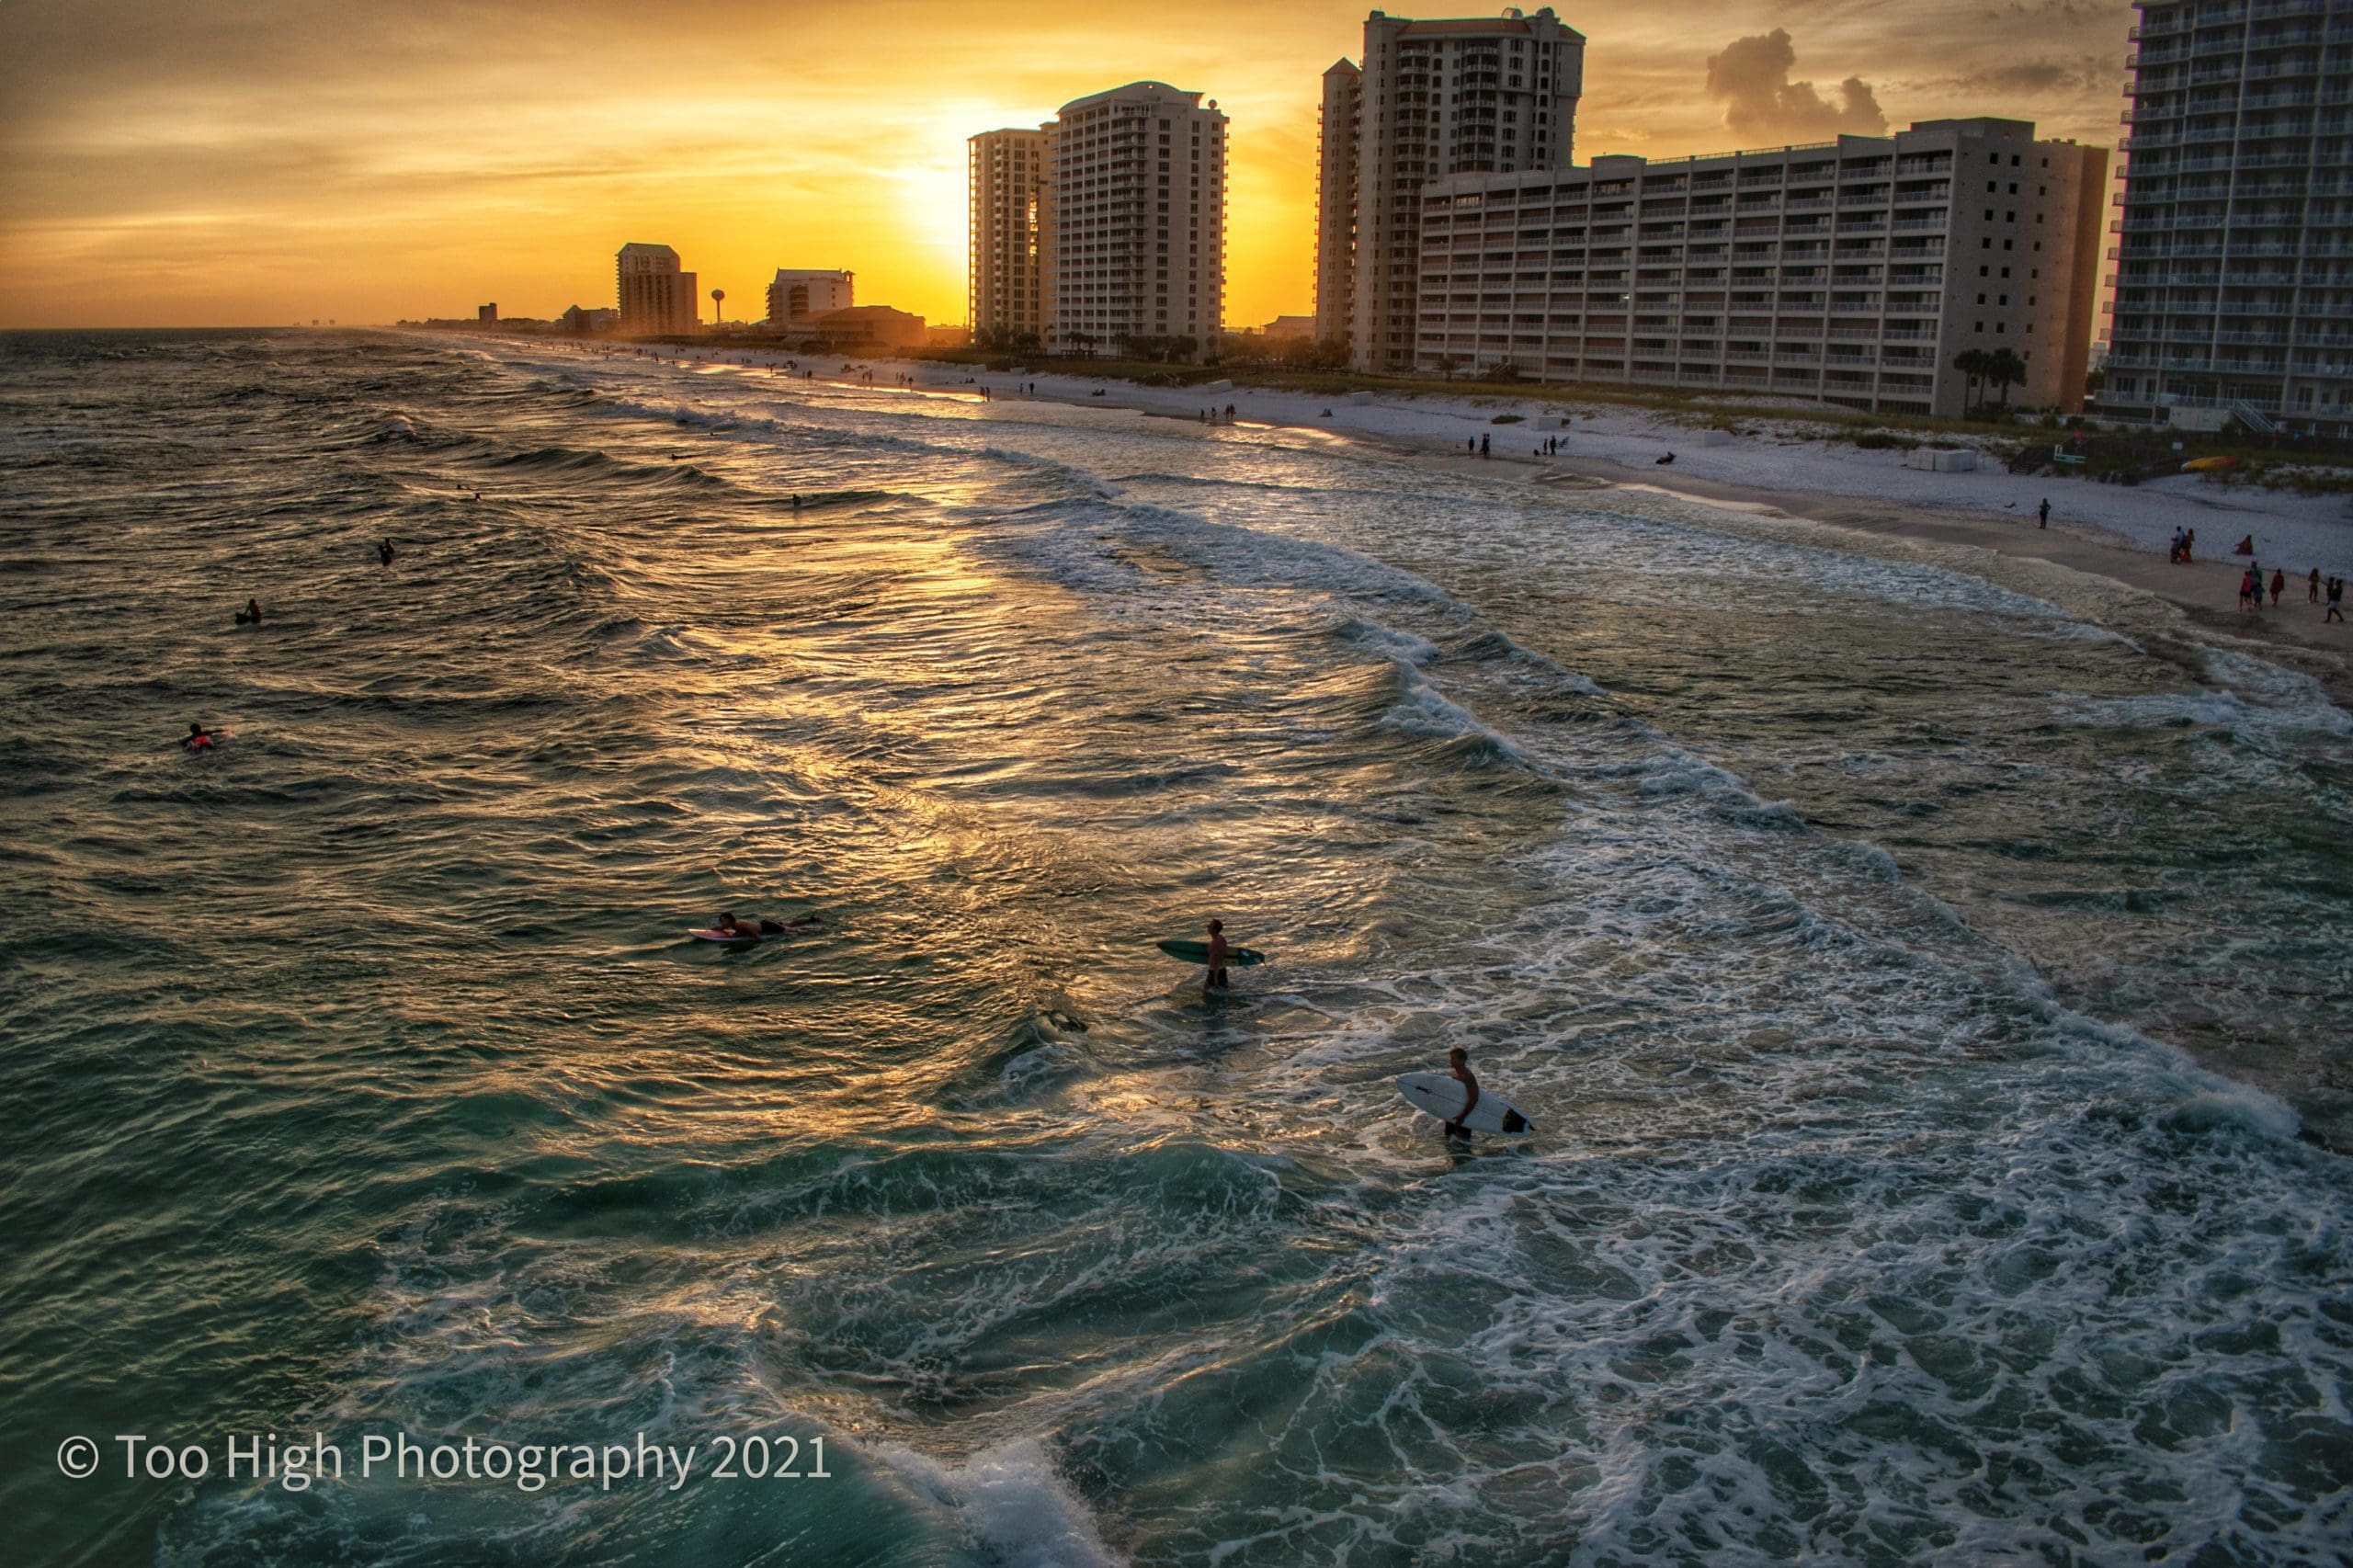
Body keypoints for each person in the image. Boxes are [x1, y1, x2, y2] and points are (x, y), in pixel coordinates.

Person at [1441, 1046, 1480, 1140]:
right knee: (1448, 1139)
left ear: (1462, 1060)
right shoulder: (1455, 1074)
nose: (1451, 1061)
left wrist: (1462, 1116)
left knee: (1462, 1144)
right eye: (1451, 1059)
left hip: (1463, 1116)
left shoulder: (1467, 1076)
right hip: (1453, 1113)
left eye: (1453, 1059)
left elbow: (1473, 1099)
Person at [1203, 918, 1231, 995]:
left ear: (1214, 930)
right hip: (1223, 970)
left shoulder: (1214, 944)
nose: (1207, 927)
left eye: (1210, 926)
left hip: (1215, 972)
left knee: (1206, 993)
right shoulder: (1221, 938)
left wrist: (1215, 980)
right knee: (1224, 991)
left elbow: (1216, 963)